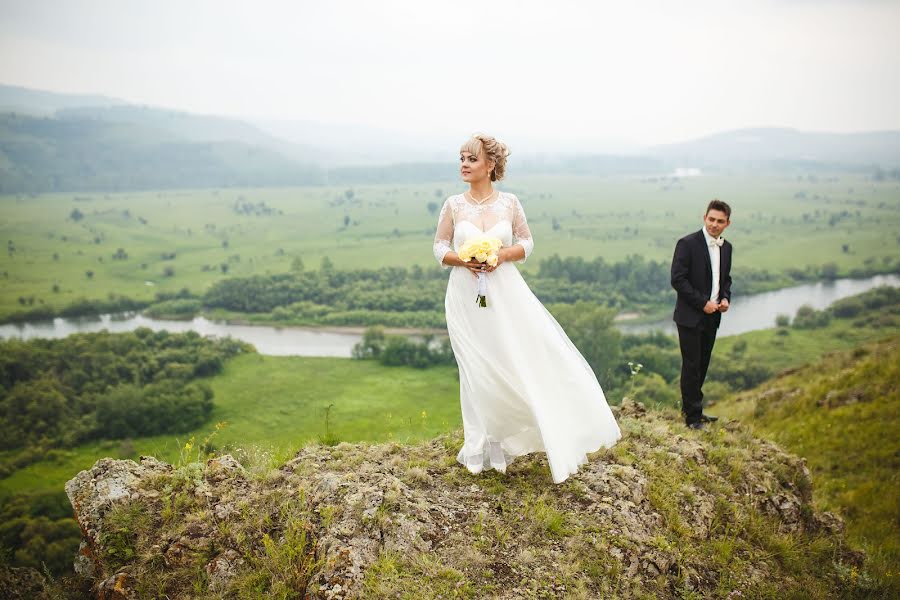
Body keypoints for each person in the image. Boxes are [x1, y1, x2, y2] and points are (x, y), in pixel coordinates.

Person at [432, 133, 621, 484]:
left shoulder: (510, 203)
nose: (463, 164)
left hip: (506, 293)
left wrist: (501, 254)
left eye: (471, 159)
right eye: (461, 158)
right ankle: (482, 445)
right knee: (475, 366)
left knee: (516, 357)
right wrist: (464, 260)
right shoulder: (453, 205)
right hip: (464, 295)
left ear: (490, 165)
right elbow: (439, 246)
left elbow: (527, 243)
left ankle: (533, 427)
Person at [670, 200, 733, 430]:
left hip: (713, 316)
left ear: (727, 223)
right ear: (704, 218)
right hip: (689, 316)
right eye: (711, 219)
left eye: (720, 221)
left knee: (703, 364)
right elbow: (677, 279)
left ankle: (694, 409)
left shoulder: (726, 248)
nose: (715, 225)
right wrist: (702, 303)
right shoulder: (687, 244)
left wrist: (725, 298)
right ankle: (692, 418)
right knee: (692, 365)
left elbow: (725, 279)